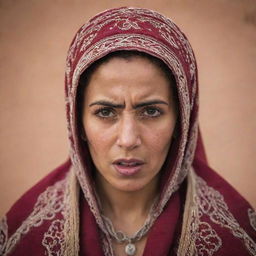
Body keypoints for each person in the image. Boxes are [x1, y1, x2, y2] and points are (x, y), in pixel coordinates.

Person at [0, 6, 255, 256]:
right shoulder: (27, 236)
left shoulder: (233, 238)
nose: (128, 139)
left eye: (152, 111)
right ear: (77, 123)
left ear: (182, 121)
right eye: (105, 112)